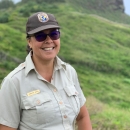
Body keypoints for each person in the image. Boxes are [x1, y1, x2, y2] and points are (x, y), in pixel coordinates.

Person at [0, 12, 92, 130]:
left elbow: (82, 116)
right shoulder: (13, 82)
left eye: (54, 34)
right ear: (29, 41)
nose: (49, 40)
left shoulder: (69, 72)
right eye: (40, 36)